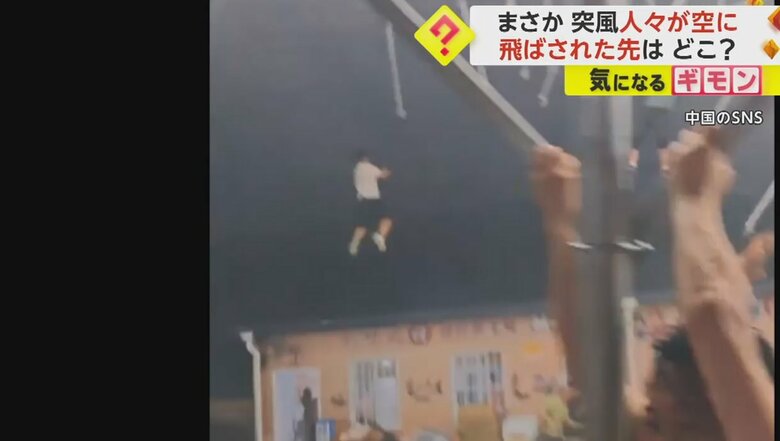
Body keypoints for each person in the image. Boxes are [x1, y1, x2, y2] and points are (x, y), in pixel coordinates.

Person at [531, 128, 775, 441]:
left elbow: (711, 314)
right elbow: (589, 362)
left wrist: (694, 198)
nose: (654, 437)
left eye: (684, 427)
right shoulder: (650, 421)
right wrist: (560, 224)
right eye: (655, 422)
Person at [349, 150, 393, 256]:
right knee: (386, 221)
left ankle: (355, 243)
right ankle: (379, 236)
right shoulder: (368, 167)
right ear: (366, 158)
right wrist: (387, 171)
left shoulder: (357, 169)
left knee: (363, 225)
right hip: (372, 199)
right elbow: (383, 175)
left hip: (364, 200)